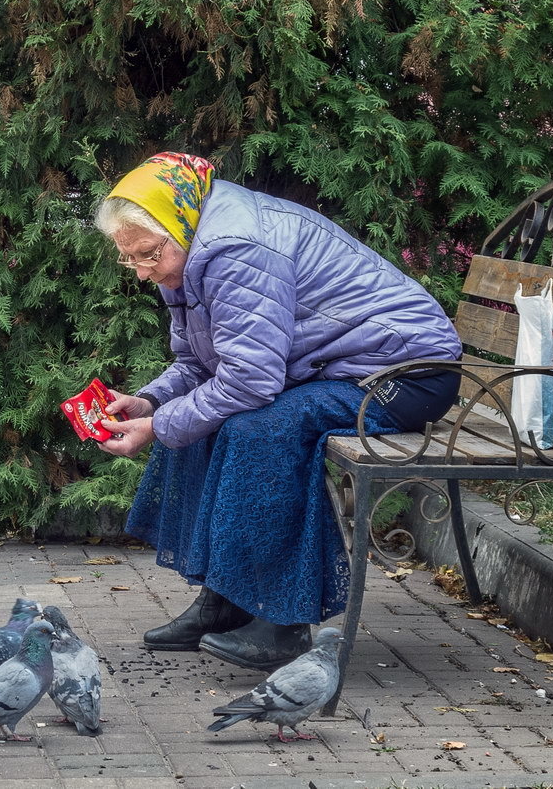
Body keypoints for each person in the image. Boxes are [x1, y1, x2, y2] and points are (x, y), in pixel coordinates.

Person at [93, 152, 462, 671]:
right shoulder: (184, 245)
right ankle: (224, 601)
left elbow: (249, 378)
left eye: (148, 256)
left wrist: (158, 427)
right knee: (198, 420)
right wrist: (153, 400)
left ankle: (283, 622)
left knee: (264, 430)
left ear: (180, 224)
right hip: (343, 369)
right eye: (128, 258)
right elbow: (200, 363)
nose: (141, 272)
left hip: (406, 375)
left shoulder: (235, 248)